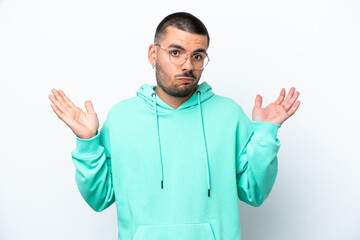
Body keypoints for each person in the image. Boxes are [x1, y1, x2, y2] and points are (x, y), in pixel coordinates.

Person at [48, 12, 300, 240]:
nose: (188, 65)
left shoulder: (229, 115)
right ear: (153, 54)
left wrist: (265, 135)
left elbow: (254, 193)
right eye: (176, 52)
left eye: (198, 56)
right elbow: (98, 198)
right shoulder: (122, 117)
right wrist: (88, 142)